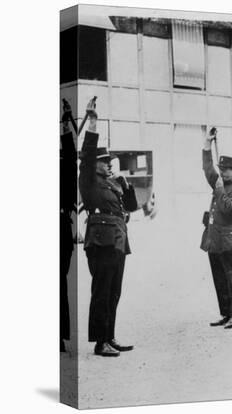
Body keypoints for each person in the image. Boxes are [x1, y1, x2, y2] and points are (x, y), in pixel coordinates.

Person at [79, 98, 139, 357]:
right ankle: (99, 341)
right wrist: (93, 123)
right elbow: (88, 153)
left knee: (114, 291)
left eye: (109, 161)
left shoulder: (113, 183)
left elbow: (132, 207)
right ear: (94, 163)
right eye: (104, 161)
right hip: (101, 240)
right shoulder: (89, 180)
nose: (109, 164)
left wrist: (126, 186)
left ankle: (109, 336)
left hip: (117, 240)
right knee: (102, 290)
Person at [201, 127, 232, 329]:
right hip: (214, 239)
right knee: (219, 278)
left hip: (228, 239)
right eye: (222, 169)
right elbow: (207, 168)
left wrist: (219, 189)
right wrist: (207, 144)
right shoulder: (218, 182)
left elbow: (228, 209)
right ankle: (225, 312)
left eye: (227, 169)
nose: (223, 172)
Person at [60, 100, 77, 352]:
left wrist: (66, 123)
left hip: (60, 227)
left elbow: (71, 155)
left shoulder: (63, 164)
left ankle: (58, 337)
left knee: (58, 281)